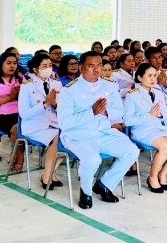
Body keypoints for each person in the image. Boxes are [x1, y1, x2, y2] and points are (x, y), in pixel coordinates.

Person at [57, 52, 139, 209]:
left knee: (131, 151)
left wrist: (106, 112)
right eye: (91, 66)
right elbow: (64, 122)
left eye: (99, 65)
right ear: (81, 67)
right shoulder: (69, 90)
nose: (96, 69)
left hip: (104, 132)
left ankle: (104, 185)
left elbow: (119, 111)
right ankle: (86, 192)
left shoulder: (109, 85)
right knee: (93, 159)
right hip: (79, 135)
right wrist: (92, 113)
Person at [124, 63, 167, 193]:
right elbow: (128, 120)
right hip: (142, 130)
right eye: (149, 76)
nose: (153, 79)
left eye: (154, 75)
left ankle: (162, 174)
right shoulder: (132, 95)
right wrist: (149, 115)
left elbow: (165, 114)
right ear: (140, 78)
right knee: (165, 147)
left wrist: (160, 115)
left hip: (158, 127)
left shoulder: (157, 92)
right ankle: (152, 178)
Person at [19, 54, 63, 189]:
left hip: (54, 124)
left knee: (70, 138)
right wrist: (44, 104)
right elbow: (24, 113)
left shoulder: (57, 83)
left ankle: (49, 173)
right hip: (34, 127)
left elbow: (64, 109)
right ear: (36, 69)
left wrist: (55, 104)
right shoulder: (27, 86)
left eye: (50, 65)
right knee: (59, 138)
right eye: (44, 66)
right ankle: (47, 176)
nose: (48, 68)